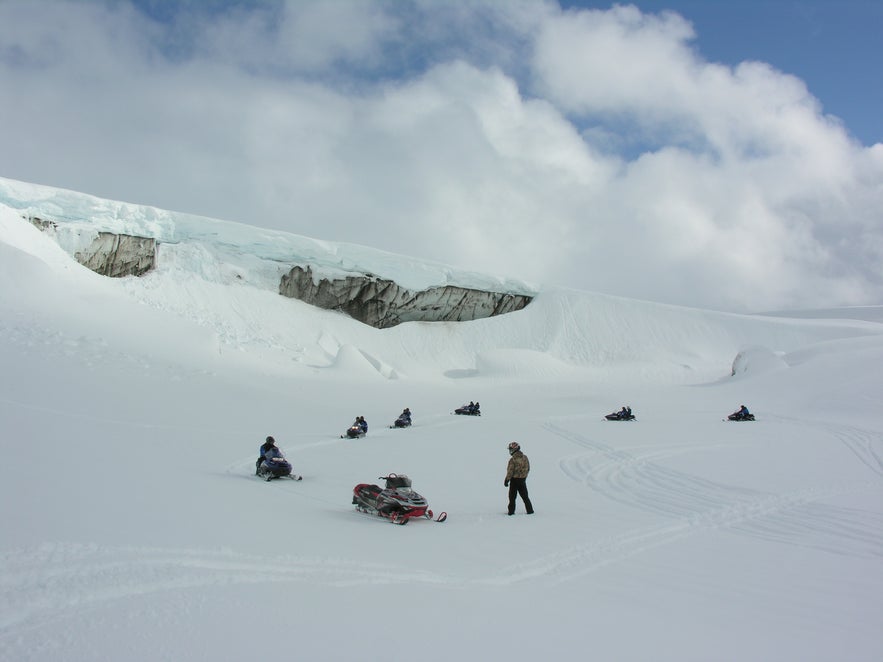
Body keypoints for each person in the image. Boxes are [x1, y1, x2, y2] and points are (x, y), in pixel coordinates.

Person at [504, 442, 534, 516]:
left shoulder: (512, 460)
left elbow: (510, 471)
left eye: (511, 449)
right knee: (525, 497)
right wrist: (524, 477)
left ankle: (511, 512)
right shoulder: (525, 457)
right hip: (522, 480)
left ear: (514, 449)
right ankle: (530, 511)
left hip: (514, 480)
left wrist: (507, 480)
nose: (510, 451)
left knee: (512, 497)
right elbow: (528, 468)